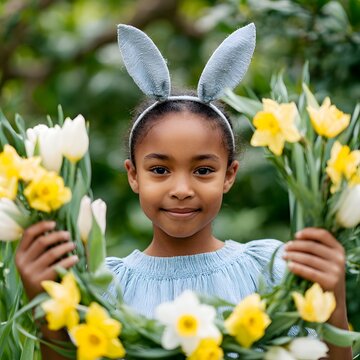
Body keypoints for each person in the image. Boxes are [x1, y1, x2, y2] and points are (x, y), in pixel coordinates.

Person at [15, 24, 351, 360]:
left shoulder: (272, 272)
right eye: (159, 170)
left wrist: (332, 302)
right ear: (133, 176)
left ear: (229, 176)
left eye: (203, 170)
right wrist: (46, 308)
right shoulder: (105, 289)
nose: (181, 190)